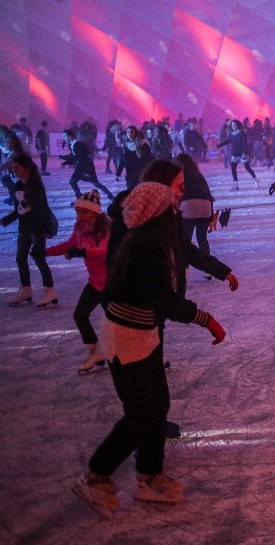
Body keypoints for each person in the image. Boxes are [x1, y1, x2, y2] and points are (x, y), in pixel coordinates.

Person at [71, 182, 226, 518]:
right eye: (171, 204)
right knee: (140, 414)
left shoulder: (153, 239)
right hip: (127, 337)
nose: (177, 208)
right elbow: (164, 300)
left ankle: (148, 474)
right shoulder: (142, 245)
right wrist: (206, 319)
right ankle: (96, 475)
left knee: (159, 405)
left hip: (144, 333)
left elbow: (179, 265)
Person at [45, 190, 111, 373]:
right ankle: (96, 352)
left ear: (95, 212)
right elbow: (70, 245)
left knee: (118, 322)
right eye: (78, 212)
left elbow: (105, 251)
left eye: (85, 212)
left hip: (112, 285)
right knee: (80, 315)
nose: (80, 215)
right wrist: (45, 252)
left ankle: (151, 353)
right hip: (95, 283)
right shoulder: (80, 229)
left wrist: (82, 253)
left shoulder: (105, 229)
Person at [1, 154, 58, 307]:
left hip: (37, 228)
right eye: (13, 168)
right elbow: (19, 209)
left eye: (17, 168)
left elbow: (43, 208)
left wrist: (47, 228)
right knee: (20, 258)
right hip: (24, 227)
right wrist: (6, 220)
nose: (14, 171)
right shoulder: (18, 186)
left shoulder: (36, 185)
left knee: (38, 257)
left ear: (26, 167)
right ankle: (26, 289)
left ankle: (49, 290)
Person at [173, 154, 215, 265]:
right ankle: (208, 269)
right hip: (206, 206)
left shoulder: (179, 175)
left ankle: (184, 268)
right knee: (202, 238)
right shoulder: (199, 175)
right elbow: (208, 194)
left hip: (188, 206)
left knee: (185, 240)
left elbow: (177, 194)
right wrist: (211, 217)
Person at [60, 129, 115, 200]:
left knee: (95, 183)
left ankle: (110, 196)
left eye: (65, 136)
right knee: (73, 181)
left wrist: (65, 163)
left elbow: (77, 156)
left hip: (86, 166)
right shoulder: (73, 144)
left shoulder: (77, 144)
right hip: (82, 166)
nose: (64, 138)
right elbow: (73, 155)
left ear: (70, 136)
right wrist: (63, 157)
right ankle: (79, 197)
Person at [216, 119, 257, 190]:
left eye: (234, 125)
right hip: (235, 154)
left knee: (247, 168)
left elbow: (244, 144)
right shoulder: (232, 134)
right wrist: (219, 145)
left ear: (237, 125)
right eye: (232, 125)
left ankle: (256, 180)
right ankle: (236, 184)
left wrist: (244, 153)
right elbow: (227, 140)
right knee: (233, 168)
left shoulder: (242, 133)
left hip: (242, 154)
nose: (233, 126)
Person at [117, 125, 154, 190]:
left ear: (135, 133)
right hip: (130, 175)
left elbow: (149, 158)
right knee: (130, 193)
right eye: (128, 132)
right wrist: (118, 172)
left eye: (131, 132)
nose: (129, 134)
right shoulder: (126, 145)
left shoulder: (143, 145)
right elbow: (123, 159)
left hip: (140, 174)